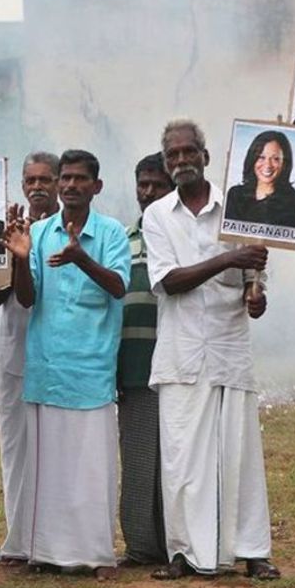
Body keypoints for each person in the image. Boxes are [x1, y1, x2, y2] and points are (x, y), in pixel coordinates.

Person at [142, 119, 280, 581]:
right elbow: (169, 282)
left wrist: (254, 293)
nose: (180, 161)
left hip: (228, 349)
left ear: (205, 154)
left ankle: (254, 551)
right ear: (166, 162)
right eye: (172, 156)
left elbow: (254, 290)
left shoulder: (240, 207)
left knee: (239, 454)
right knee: (181, 458)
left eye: (187, 152)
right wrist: (228, 258)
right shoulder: (157, 215)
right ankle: (183, 553)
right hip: (181, 354)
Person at [2, 149, 131, 581]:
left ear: (97, 186)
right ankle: (47, 553)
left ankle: (96, 555)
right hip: (48, 367)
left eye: (80, 179)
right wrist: (20, 258)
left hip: (92, 366)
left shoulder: (112, 232)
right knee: (49, 468)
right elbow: (26, 297)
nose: (71, 185)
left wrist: (82, 259)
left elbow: (117, 287)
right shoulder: (39, 233)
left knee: (91, 467)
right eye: (66, 179)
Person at [0, 152, 60, 565]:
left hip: (60, 351)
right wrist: (9, 250)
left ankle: (55, 541)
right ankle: (19, 542)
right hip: (16, 348)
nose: (37, 187)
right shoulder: (6, 227)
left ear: (58, 183)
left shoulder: (69, 225)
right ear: (21, 185)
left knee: (56, 448)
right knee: (16, 448)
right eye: (30, 180)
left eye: (45, 179)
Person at [117, 153, 174, 565]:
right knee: (138, 459)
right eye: (143, 184)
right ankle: (140, 547)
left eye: (157, 185)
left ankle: (179, 542)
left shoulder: (180, 237)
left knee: (177, 459)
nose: (149, 192)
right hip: (135, 363)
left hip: (176, 361)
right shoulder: (122, 238)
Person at [224, 130, 295, 228]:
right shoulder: (235, 195)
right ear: (252, 159)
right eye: (261, 157)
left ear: (284, 164)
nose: (268, 165)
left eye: (276, 159)